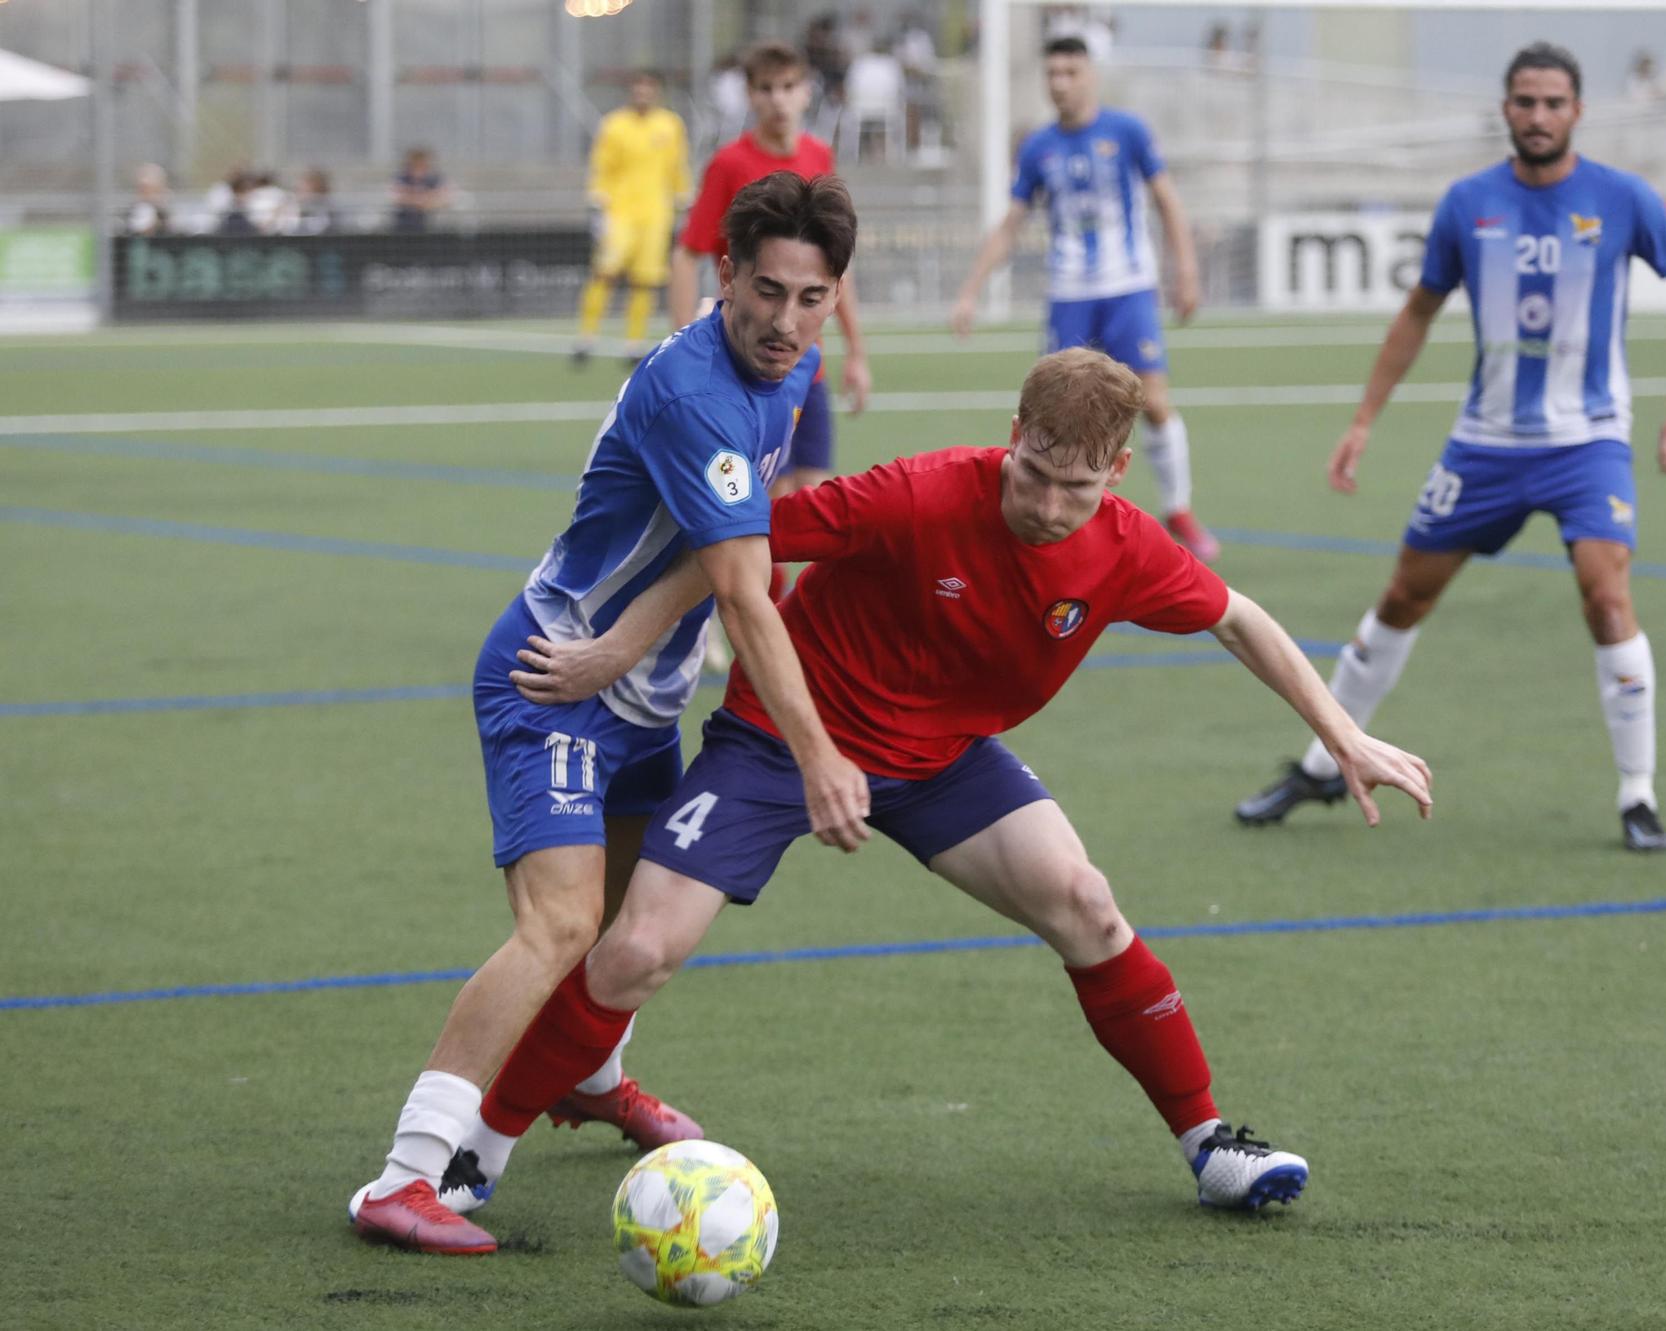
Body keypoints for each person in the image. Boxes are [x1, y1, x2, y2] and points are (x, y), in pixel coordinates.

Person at [432, 348, 1434, 1221]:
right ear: (1013, 435)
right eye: (1033, 474)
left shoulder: (1124, 546)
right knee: (636, 948)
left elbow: (1238, 617)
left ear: (1117, 474)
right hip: (782, 743)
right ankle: (475, 1153)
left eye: (1075, 489)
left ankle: (1210, 1144)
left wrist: (1338, 731)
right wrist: (619, 645)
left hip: (944, 758)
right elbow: (738, 542)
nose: (1047, 507)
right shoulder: (917, 493)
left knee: (1086, 903)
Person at [346, 173, 872, 1256]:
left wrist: (636, 647)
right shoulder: (695, 393)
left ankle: (587, 1077)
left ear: (834, 297)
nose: (783, 322)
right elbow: (739, 584)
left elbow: (737, 542)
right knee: (560, 926)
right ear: (722, 274)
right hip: (553, 678)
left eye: (809, 298)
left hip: (633, 693)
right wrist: (816, 754)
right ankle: (403, 1175)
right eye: (764, 291)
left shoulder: (791, 364)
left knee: (633, 924)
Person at [1234, 42, 1666, 853]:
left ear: (1578, 111)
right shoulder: (1468, 204)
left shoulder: (1623, 199)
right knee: (1401, 598)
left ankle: (1638, 794)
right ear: (1505, 108)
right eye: (1524, 102)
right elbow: (1418, 311)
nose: (1538, 117)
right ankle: (1326, 764)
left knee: (1606, 597)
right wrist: (1363, 421)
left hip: (1587, 442)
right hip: (1484, 447)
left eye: (1553, 103)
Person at [951, 36, 1218, 564]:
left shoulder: (1127, 131)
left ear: (1090, 76)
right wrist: (970, 291)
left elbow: (1167, 202)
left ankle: (1179, 509)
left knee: (1156, 405)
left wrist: (1184, 270)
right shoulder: (1038, 147)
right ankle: (1064, 519)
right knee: (1058, 417)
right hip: (1069, 296)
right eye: (1053, 74)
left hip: (1129, 289)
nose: (1060, 83)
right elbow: (1011, 224)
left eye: (1070, 72)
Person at [674, 43, 869, 498]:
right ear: (750, 95)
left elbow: (838, 266)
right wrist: (683, 341)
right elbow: (687, 253)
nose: (778, 99)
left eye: (788, 87)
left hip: (806, 364)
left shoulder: (819, 157)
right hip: (749, 362)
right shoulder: (729, 165)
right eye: (766, 89)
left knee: (815, 502)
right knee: (764, 509)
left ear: (806, 92)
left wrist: (857, 351)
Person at [573, 72, 695, 368]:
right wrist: (598, 199)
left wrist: (684, 195)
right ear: (631, 92)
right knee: (606, 271)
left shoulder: (670, 125)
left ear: (656, 92)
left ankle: (633, 343)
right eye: (637, 89)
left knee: (646, 279)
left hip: (656, 213)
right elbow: (602, 165)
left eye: (648, 89)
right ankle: (586, 337)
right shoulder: (614, 125)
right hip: (621, 211)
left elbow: (677, 166)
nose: (642, 94)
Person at [391, 148, 451, 233]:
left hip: (431, 226)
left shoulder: (435, 178)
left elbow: (445, 198)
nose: (418, 168)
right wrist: (422, 200)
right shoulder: (402, 178)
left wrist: (416, 199)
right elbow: (397, 197)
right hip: (403, 226)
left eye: (422, 165)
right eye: (415, 165)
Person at [126, 163, 175, 236]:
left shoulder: (165, 211)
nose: (146, 193)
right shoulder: (136, 210)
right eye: (142, 189)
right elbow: (138, 229)